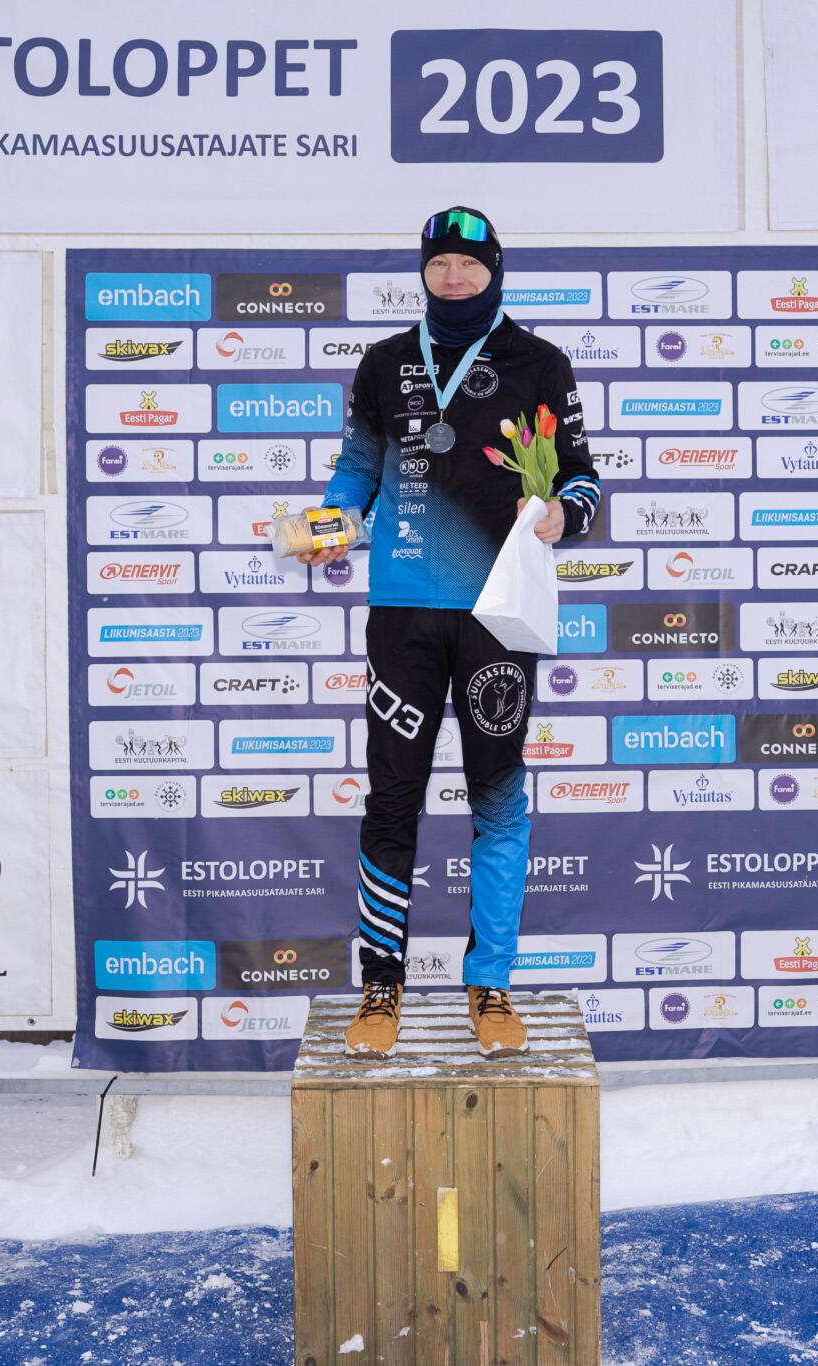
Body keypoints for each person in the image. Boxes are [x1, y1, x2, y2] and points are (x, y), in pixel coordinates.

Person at [300, 206, 601, 1058]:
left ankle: (490, 984)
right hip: (402, 611)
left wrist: (564, 514)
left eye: (471, 263)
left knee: (497, 799)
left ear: (495, 269)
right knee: (391, 800)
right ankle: (381, 985)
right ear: (424, 272)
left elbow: (581, 478)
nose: (456, 277)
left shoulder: (541, 363)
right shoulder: (384, 362)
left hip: (497, 614)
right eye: (441, 264)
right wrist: (333, 520)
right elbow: (358, 468)